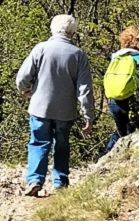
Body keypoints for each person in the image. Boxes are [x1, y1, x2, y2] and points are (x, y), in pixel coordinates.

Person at [14, 14, 95, 197]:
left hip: (39, 107)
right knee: (62, 145)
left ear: (52, 29)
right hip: (65, 111)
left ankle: (35, 180)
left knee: (38, 142)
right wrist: (88, 116)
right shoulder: (79, 55)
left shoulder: (40, 49)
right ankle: (60, 183)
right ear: (73, 33)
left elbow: (22, 79)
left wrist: (27, 91)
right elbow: (85, 89)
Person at [102, 26, 139, 155]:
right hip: (132, 100)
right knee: (135, 130)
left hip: (114, 100)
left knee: (121, 131)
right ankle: (122, 157)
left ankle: (106, 155)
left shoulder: (115, 58)